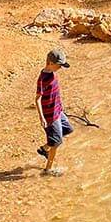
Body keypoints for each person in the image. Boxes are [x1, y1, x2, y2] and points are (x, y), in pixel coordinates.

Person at [35, 47, 74, 176]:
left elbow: (55, 93)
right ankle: (48, 169)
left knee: (68, 129)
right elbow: (38, 99)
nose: (60, 68)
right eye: (59, 65)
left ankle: (45, 148)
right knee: (57, 142)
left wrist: (61, 107)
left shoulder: (53, 73)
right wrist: (42, 118)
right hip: (50, 116)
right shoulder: (43, 79)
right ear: (50, 63)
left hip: (58, 111)